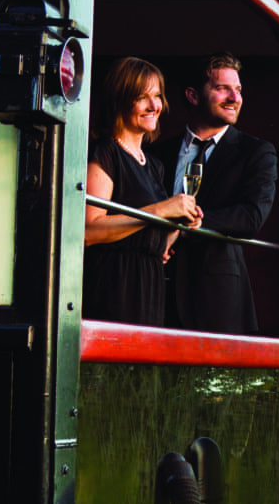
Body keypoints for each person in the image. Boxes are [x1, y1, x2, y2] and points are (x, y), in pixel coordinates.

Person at [156, 52, 277, 334]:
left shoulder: (256, 152)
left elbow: (251, 216)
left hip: (216, 301)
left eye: (238, 90)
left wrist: (186, 226)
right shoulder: (156, 154)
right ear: (193, 96)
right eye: (222, 88)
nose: (234, 98)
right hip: (155, 293)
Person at [83, 57, 203, 326]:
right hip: (114, 287)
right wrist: (161, 210)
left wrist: (176, 227)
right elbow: (89, 231)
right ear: (120, 100)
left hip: (149, 286)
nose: (154, 106)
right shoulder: (105, 152)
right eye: (142, 97)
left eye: (158, 96)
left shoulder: (154, 165)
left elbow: (145, 233)